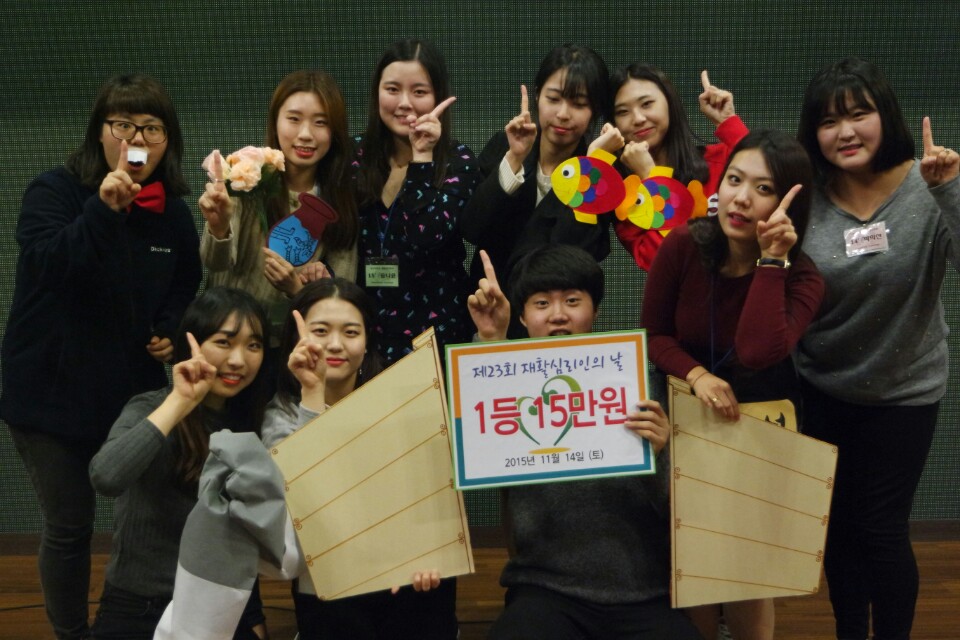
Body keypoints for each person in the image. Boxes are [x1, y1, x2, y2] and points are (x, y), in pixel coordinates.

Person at [0, 73, 201, 640]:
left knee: (143, 519)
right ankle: (72, 634)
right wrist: (103, 211)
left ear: (167, 140)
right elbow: (46, 266)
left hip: (127, 395)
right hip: (48, 394)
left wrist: (168, 327)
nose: (136, 138)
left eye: (152, 127)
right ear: (100, 132)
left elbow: (185, 282)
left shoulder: (172, 213)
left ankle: (137, 621)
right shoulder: (54, 192)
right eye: (123, 125)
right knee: (70, 525)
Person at [795, 57, 960, 640]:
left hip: (903, 393)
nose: (845, 132)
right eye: (828, 121)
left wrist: (950, 192)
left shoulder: (929, 183)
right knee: (839, 528)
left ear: (885, 116)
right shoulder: (807, 197)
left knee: (883, 530)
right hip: (822, 386)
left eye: (858, 114)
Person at [641, 130, 824, 640]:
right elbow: (655, 335)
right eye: (734, 180)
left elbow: (757, 351)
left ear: (790, 206)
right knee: (695, 558)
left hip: (761, 424)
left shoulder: (804, 278)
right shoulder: (684, 244)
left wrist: (770, 262)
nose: (741, 198)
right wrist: (696, 375)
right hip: (686, 415)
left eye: (763, 189)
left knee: (748, 568)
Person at [467, 245, 703, 640]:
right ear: (522, 316)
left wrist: (662, 455)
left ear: (595, 310)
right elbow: (480, 447)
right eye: (542, 303)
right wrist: (492, 340)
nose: (558, 314)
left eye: (573, 301)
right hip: (545, 590)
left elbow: (682, 514)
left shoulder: (642, 389)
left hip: (642, 593)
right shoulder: (507, 392)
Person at [261, 278, 453, 639]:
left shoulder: (397, 399)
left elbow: (428, 492)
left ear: (367, 343)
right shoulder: (281, 415)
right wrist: (313, 392)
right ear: (296, 338)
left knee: (430, 589)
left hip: (403, 564)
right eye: (320, 331)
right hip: (329, 571)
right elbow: (305, 502)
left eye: (351, 332)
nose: (335, 344)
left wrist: (427, 550)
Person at [87, 288, 270, 639]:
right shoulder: (150, 407)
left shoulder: (252, 422)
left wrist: (253, 616)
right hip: (140, 604)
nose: (238, 360)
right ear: (192, 343)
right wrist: (179, 401)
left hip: (216, 606)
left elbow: (243, 535)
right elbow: (106, 477)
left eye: (253, 345)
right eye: (224, 342)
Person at [200, 70, 359, 338]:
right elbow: (215, 264)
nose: (305, 134)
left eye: (321, 122)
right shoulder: (245, 177)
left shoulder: (339, 200)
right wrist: (219, 227)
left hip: (292, 343)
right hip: (226, 334)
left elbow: (341, 296)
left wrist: (296, 289)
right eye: (294, 119)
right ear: (275, 122)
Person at [355, 39, 479, 363]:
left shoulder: (459, 161)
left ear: (438, 96)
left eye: (419, 92)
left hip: (435, 328)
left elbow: (426, 235)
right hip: (364, 327)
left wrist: (421, 157)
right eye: (392, 89)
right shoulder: (355, 155)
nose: (404, 103)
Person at [461, 44, 611, 285]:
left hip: (555, 301)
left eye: (579, 104)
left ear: (596, 110)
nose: (563, 113)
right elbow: (471, 229)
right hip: (488, 299)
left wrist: (589, 170)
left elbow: (586, 252)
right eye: (553, 99)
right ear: (537, 95)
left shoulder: (598, 172)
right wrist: (514, 159)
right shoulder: (504, 146)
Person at [600, 65, 749, 271]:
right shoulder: (626, 200)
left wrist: (727, 121)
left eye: (647, 104)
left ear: (670, 103)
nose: (638, 119)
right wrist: (652, 179)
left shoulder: (721, 159)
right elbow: (665, 263)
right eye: (622, 112)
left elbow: (770, 180)